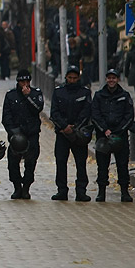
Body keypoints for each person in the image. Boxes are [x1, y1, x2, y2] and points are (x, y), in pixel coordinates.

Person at [50, 65, 93, 201]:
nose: (72, 80)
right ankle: (62, 191)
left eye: (75, 78)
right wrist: (64, 126)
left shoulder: (84, 92)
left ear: (78, 78)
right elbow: (54, 112)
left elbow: (87, 111)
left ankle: (81, 191)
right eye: (70, 78)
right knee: (61, 161)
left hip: (78, 134)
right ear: (66, 78)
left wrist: (75, 127)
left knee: (81, 163)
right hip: (63, 133)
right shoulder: (58, 92)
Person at [90, 68, 134, 202]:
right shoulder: (99, 95)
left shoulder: (125, 95)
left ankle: (124, 192)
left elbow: (129, 116)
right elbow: (95, 115)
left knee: (122, 165)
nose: (111, 80)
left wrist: (119, 130)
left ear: (118, 79)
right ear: (106, 79)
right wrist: (105, 130)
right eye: (109, 78)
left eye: (113, 78)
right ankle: (101, 192)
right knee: (102, 166)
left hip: (120, 136)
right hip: (103, 137)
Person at [2, 70, 44, 199]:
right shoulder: (11, 95)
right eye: (22, 82)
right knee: (13, 163)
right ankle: (17, 187)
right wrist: (13, 132)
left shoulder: (36, 93)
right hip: (16, 134)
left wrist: (28, 96)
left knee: (31, 162)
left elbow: (38, 109)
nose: (25, 84)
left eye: (27, 81)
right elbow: (6, 117)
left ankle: (26, 187)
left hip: (31, 133)